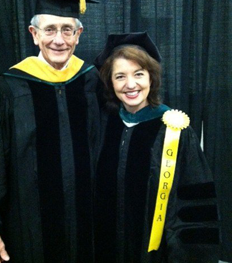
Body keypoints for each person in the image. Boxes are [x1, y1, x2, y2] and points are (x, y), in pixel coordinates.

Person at [0, 0, 100, 263]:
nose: (58, 40)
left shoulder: (92, 81)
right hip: (28, 222)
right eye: (49, 29)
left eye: (67, 30)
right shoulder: (8, 87)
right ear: (34, 34)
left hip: (89, 218)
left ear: (79, 34)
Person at [94, 32, 220, 263]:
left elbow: (194, 204)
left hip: (156, 254)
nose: (130, 84)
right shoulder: (104, 125)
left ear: (151, 78)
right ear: (110, 83)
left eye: (139, 74)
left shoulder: (174, 130)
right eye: (120, 76)